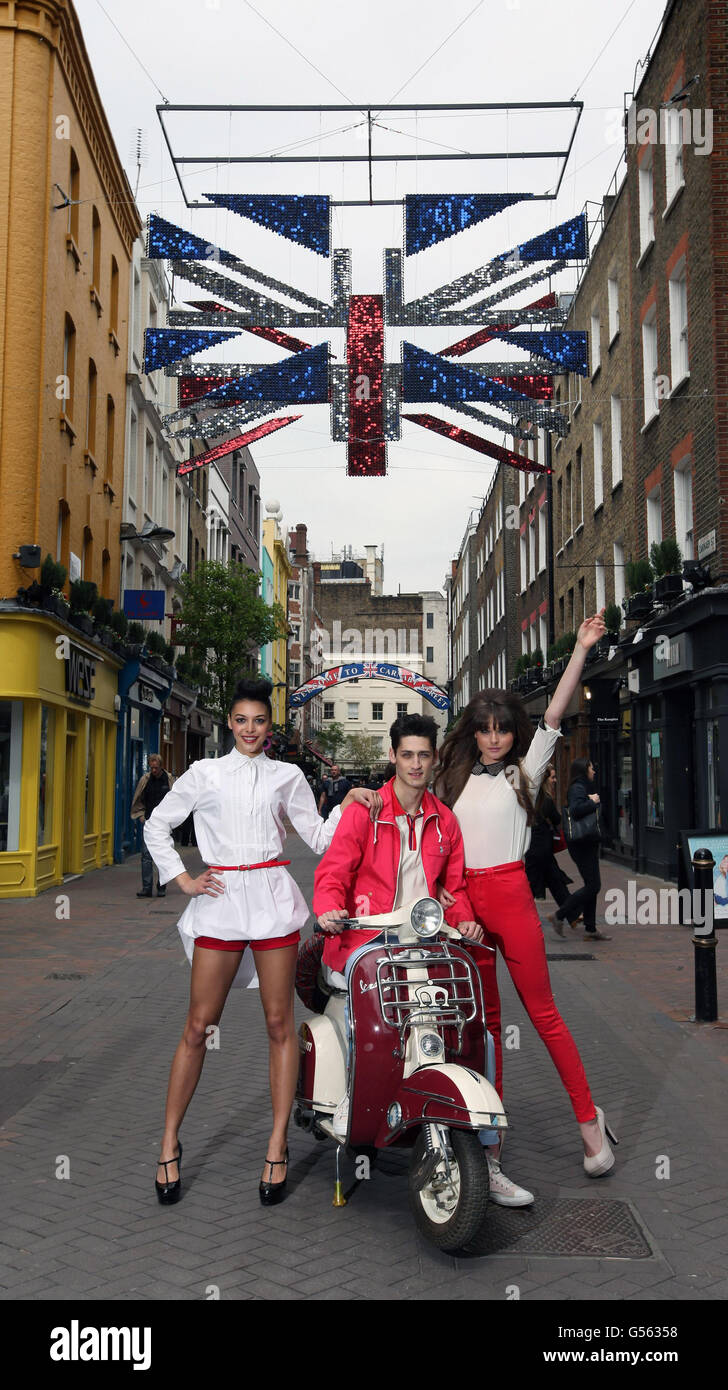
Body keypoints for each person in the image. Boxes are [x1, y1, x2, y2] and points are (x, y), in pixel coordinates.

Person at [142, 677, 380, 1208]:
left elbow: (319, 837)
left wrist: (351, 802)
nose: (251, 729)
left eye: (260, 721)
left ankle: (276, 1146)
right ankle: (168, 1142)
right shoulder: (203, 774)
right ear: (230, 722)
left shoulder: (287, 776)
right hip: (221, 900)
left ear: (270, 727)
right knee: (198, 1026)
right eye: (242, 720)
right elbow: (157, 826)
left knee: (278, 1025)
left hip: (272, 900)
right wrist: (182, 881)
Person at [312, 713, 535, 1208]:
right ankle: (356, 1107)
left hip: (423, 948)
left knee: (473, 1026)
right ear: (392, 757)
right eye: (407, 754)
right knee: (367, 1027)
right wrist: (328, 907)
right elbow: (334, 871)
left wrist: (469, 919)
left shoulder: (444, 820)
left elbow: (452, 891)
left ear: (435, 759)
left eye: (424, 755)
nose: (415, 764)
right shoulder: (364, 812)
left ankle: (487, 1154)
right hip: (364, 943)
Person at [434, 611, 618, 1179]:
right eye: (485, 729)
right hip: (467, 906)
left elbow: (557, 712)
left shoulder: (524, 773)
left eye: (503, 729)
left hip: (512, 896)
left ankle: (589, 1122)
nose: (494, 738)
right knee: (485, 1024)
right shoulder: (451, 780)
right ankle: (491, 1134)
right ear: (473, 731)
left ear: (514, 731)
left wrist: (583, 648)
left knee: (543, 1015)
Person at [548, 759, 611, 942]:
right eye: (592, 767)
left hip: (587, 842)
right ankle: (560, 915)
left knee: (591, 885)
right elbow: (575, 811)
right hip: (581, 843)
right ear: (584, 770)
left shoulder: (583, 786)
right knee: (593, 885)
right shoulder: (578, 788)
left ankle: (590, 929)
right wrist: (593, 802)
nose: (594, 771)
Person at [525, 764, 581, 932]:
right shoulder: (545, 800)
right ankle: (517, 919)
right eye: (552, 777)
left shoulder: (533, 797)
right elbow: (557, 819)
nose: (555, 780)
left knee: (556, 882)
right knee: (530, 887)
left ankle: (571, 915)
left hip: (539, 849)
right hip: (540, 850)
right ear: (544, 779)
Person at [131, 754, 175, 897]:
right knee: (146, 856)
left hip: (164, 823)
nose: (154, 770)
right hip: (149, 822)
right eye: (152, 767)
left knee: (163, 855)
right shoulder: (145, 780)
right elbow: (138, 798)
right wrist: (141, 816)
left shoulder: (168, 780)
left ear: (161, 766)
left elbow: (175, 799)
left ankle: (161, 886)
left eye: (156, 767)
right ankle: (147, 888)